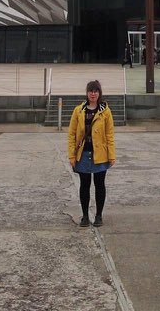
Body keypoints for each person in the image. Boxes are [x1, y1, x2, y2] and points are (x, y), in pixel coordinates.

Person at [67, 79, 116, 227]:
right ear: (87, 93)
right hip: (83, 154)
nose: (93, 94)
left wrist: (111, 155)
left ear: (99, 93)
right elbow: (72, 134)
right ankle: (85, 216)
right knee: (84, 185)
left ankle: (99, 215)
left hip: (100, 154)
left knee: (100, 184)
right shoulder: (79, 110)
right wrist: (72, 155)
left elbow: (109, 134)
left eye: (95, 91)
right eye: (90, 91)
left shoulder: (105, 111)